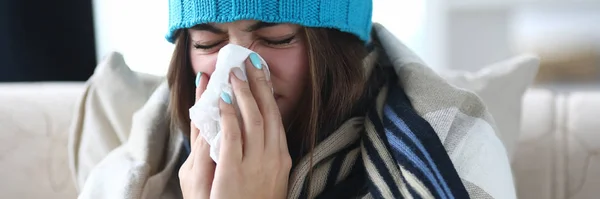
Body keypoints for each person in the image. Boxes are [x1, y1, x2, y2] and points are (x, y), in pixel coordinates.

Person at [69, 0, 517, 198]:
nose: (237, 68)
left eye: (276, 38)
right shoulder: (143, 168)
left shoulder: (451, 145)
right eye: (207, 43)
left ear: (338, 48)